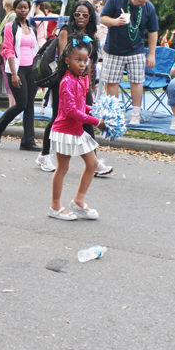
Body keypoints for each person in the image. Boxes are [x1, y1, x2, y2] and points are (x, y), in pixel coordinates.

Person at [38, 0, 112, 177]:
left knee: (86, 117)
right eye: (77, 14)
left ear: (90, 17)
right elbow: (66, 58)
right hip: (65, 81)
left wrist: (87, 85)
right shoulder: (65, 30)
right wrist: (72, 83)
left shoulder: (91, 34)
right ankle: (44, 155)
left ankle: (94, 162)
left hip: (83, 82)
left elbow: (88, 62)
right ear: (73, 15)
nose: (80, 17)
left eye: (85, 15)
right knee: (58, 118)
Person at [48, 41, 106, 221]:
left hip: (77, 130)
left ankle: (79, 201)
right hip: (64, 131)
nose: (82, 64)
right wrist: (96, 121)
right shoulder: (66, 81)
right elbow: (71, 111)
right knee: (62, 168)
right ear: (67, 60)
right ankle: (55, 206)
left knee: (93, 164)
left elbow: (80, 106)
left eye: (85, 60)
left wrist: (96, 109)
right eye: (77, 60)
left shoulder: (80, 79)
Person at [100, 0, 159, 126]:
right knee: (112, 81)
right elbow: (102, 18)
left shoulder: (148, 7)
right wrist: (115, 21)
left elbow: (153, 31)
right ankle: (113, 114)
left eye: (145, 1)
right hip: (113, 49)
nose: (143, 4)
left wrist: (151, 53)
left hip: (136, 49)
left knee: (137, 81)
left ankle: (135, 114)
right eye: (140, 1)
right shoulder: (116, 0)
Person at [0, 0, 40, 151]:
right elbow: (9, 50)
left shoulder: (32, 28)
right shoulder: (11, 27)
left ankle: (28, 141)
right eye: (20, 7)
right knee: (22, 104)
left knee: (30, 105)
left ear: (29, 9)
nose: (23, 10)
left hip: (30, 68)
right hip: (16, 69)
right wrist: (14, 74)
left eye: (26, 7)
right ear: (15, 9)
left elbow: (35, 48)